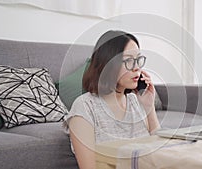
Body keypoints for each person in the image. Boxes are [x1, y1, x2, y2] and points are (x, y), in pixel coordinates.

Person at [63, 30, 161, 169]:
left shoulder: (135, 101)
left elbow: (159, 151)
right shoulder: (85, 107)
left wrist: (149, 108)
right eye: (128, 61)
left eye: (138, 60)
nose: (136, 68)